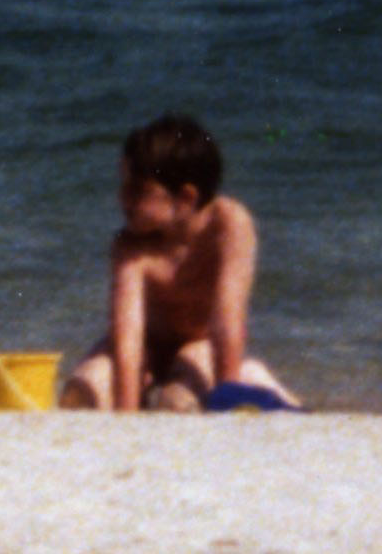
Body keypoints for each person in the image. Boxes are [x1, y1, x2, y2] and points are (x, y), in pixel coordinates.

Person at [58, 113, 299, 411]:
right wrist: (125, 417)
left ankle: (262, 394)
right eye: (123, 185)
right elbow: (128, 336)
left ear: (185, 197)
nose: (123, 198)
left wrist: (227, 396)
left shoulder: (229, 224)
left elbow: (227, 321)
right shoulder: (130, 244)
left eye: (138, 190)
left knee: (177, 402)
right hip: (149, 349)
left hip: (199, 348)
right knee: (80, 395)